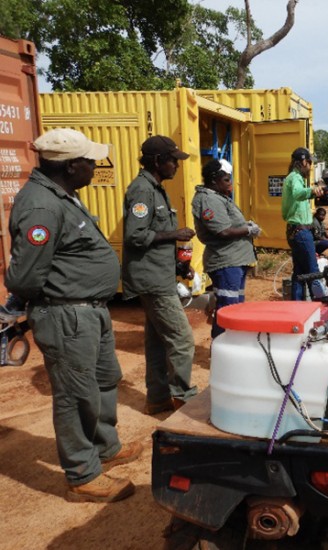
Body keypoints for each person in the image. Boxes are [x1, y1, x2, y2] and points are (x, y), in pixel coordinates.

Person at [5, 128, 142, 502]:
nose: (95, 166)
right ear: (71, 166)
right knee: (74, 394)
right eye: (90, 161)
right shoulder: (41, 206)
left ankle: (104, 447)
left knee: (103, 381)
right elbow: (25, 275)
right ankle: (82, 474)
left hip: (90, 312)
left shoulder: (64, 195)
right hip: (67, 315)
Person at [122, 135, 198, 415]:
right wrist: (174, 234)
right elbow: (135, 235)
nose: (176, 166)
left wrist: (179, 265)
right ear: (157, 161)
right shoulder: (142, 190)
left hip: (159, 273)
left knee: (157, 342)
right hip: (152, 279)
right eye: (172, 160)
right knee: (182, 339)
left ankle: (158, 397)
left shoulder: (155, 189)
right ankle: (183, 397)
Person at [192, 158, 259, 338]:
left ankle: (233, 347)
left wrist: (245, 225)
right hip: (226, 262)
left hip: (236, 261)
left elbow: (229, 224)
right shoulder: (209, 200)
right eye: (226, 180)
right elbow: (222, 231)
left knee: (236, 308)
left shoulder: (219, 197)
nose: (230, 184)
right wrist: (247, 229)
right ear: (214, 180)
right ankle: (222, 348)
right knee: (227, 309)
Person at [281, 147, 326, 300]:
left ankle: (297, 308)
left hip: (296, 232)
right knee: (313, 272)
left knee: (300, 274)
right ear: (303, 162)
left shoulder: (293, 178)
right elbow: (298, 193)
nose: (310, 167)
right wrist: (312, 191)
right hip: (301, 233)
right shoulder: (295, 178)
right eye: (309, 163)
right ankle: (319, 307)